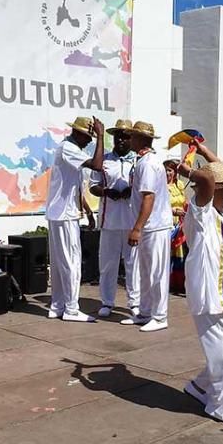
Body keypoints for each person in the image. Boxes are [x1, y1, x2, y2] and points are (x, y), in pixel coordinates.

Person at [176, 142, 223, 425]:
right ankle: (218, 404)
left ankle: (199, 386)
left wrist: (205, 152)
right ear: (213, 191)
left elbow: (213, 174)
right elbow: (207, 178)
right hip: (210, 295)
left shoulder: (221, 215)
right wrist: (186, 169)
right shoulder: (200, 213)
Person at [45, 116, 105, 322]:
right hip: (64, 215)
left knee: (60, 261)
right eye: (88, 136)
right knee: (71, 261)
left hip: (61, 213)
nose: (89, 141)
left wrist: (87, 211)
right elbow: (97, 165)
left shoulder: (70, 150)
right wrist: (101, 135)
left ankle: (58, 305)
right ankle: (71, 309)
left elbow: (74, 187)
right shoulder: (68, 148)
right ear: (77, 133)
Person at [122, 121, 173, 332]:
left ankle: (160, 316)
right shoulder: (142, 161)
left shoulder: (149, 164)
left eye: (132, 136)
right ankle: (145, 312)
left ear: (141, 139)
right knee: (145, 271)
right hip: (148, 226)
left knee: (156, 273)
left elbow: (148, 197)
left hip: (155, 226)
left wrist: (137, 228)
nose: (128, 139)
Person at [88, 119, 139, 319]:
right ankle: (107, 302)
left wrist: (130, 190)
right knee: (108, 264)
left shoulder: (138, 161)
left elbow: (146, 188)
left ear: (131, 139)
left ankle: (134, 303)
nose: (120, 140)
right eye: (117, 136)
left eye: (125, 136)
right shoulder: (105, 160)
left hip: (132, 221)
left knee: (133, 264)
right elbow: (93, 186)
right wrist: (107, 192)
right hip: (109, 221)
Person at [165, 159, 188, 294]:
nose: (167, 173)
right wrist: (172, 211)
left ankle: (178, 282)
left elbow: (184, 201)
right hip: (167, 220)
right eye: (166, 170)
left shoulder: (180, 185)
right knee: (167, 252)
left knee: (180, 252)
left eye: (170, 170)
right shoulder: (160, 185)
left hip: (180, 222)